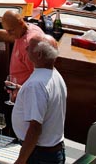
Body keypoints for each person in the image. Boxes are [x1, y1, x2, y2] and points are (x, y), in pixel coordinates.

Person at [11, 35, 67, 164]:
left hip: (40, 156)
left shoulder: (36, 85)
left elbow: (35, 128)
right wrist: (23, 92)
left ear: (39, 54)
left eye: (29, 47)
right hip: (53, 152)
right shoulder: (55, 75)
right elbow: (48, 100)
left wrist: (21, 160)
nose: (25, 48)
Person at [0, 10, 44, 86]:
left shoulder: (29, 45)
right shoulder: (25, 29)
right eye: (7, 30)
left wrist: (19, 89)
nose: (9, 34)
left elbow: (38, 76)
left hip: (24, 92)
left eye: (11, 30)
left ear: (21, 23)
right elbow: (10, 35)